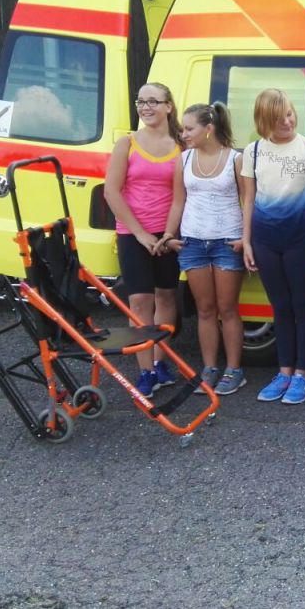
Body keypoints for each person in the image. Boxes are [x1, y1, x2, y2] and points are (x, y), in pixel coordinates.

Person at [240, 88, 305, 406]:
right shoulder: (253, 151)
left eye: (290, 114)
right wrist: (247, 241)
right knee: (279, 307)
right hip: (265, 241)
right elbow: (249, 199)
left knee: (302, 305)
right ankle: (284, 372)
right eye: (278, 117)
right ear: (264, 120)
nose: (287, 121)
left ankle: (302, 374)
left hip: (301, 241)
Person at [160, 101, 247, 396]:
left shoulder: (235, 159)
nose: (183, 134)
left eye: (189, 129)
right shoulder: (183, 159)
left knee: (228, 309)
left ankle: (234, 370)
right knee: (205, 310)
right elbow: (178, 201)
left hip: (227, 240)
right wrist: (169, 234)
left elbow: (248, 201)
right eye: (182, 129)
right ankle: (209, 368)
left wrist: (247, 239)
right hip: (192, 242)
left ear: (208, 128)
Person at [103, 82, 183, 398]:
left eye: (153, 101)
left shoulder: (181, 145)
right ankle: (145, 370)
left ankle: (161, 363)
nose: (145, 107)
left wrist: (167, 235)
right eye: (141, 101)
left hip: (167, 235)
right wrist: (139, 233)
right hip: (133, 234)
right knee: (139, 302)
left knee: (167, 298)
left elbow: (181, 196)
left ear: (168, 106)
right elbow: (111, 192)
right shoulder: (127, 143)